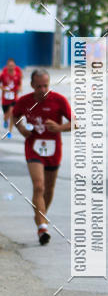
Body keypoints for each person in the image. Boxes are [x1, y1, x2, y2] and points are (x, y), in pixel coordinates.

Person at [12, 69, 72, 245]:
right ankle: (42, 228)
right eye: (38, 86)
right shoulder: (25, 101)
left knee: (49, 188)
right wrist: (21, 128)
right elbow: (15, 116)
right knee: (38, 186)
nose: (42, 89)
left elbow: (75, 122)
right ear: (32, 85)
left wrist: (60, 128)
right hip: (33, 147)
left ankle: (40, 216)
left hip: (53, 149)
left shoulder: (59, 100)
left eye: (45, 85)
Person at [1, 57, 23, 138]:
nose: (11, 67)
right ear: (7, 66)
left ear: (14, 66)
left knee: (12, 113)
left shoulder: (17, 74)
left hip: (14, 98)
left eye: (12, 65)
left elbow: (20, 83)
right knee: (6, 115)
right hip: (5, 99)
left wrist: (19, 88)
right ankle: (5, 120)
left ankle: (9, 131)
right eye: (9, 66)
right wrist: (3, 88)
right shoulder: (3, 74)